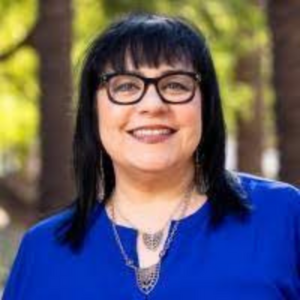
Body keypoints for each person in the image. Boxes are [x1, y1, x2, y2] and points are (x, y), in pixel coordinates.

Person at [2, 13, 300, 300]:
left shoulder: (283, 217)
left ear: (206, 107)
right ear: (93, 112)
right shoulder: (44, 251)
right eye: (126, 86)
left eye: (175, 84)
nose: (153, 104)